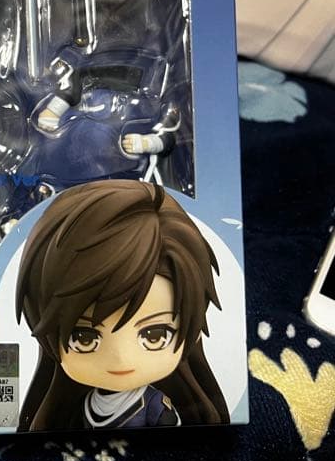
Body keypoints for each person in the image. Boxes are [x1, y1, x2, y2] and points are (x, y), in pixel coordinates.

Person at [14, 179, 229, 431]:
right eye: (84, 337)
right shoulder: (81, 407)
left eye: (155, 335)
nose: (121, 357)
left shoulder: (156, 405)